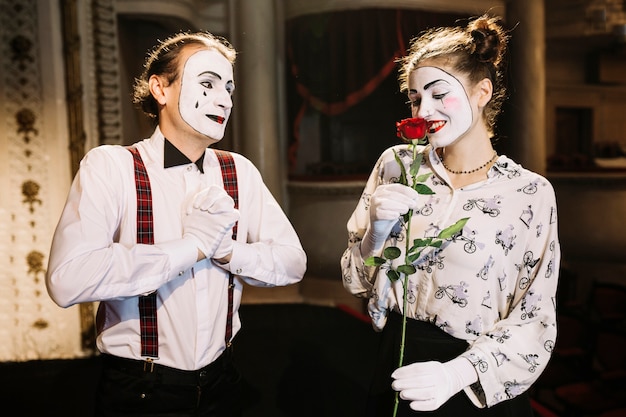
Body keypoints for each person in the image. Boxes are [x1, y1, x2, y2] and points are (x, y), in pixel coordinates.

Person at [46, 31, 307, 417]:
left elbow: (293, 263)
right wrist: (190, 248)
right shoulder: (112, 166)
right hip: (141, 391)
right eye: (207, 83)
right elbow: (67, 279)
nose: (224, 99)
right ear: (160, 88)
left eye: (229, 88)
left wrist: (227, 251)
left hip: (224, 381)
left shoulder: (241, 172)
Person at [341, 15, 560, 416]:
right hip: (397, 359)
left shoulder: (529, 193)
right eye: (414, 98)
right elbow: (355, 282)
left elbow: (535, 317)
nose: (424, 110)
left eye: (439, 95)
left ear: (482, 92)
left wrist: (459, 374)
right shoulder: (396, 164)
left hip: (476, 379)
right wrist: (375, 233)